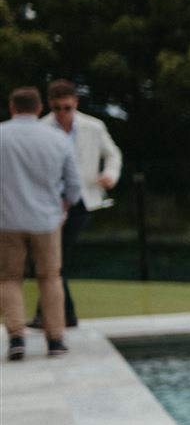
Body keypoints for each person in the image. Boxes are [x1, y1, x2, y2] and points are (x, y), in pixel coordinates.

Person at [0, 85, 81, 360]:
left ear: (12, 107)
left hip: (6, 220)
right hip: (46, 220)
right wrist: (65, 204)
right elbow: (74, 184)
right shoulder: (57, 139)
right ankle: (55, 339)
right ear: (39, 108)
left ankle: (16, 337)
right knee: (50, 278)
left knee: (8, 278)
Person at [35, 79, 121, 328]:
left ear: (75, 103)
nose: (62, 113)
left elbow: (113, 154)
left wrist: (110, 175)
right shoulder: (41, 129)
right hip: (49, 202)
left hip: (82, 200)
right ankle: (62, 314)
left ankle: (52, 314)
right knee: (52, 259)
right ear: (49, 105)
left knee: (55, 257)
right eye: (57, 108)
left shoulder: (93, 127)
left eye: (67, 108)